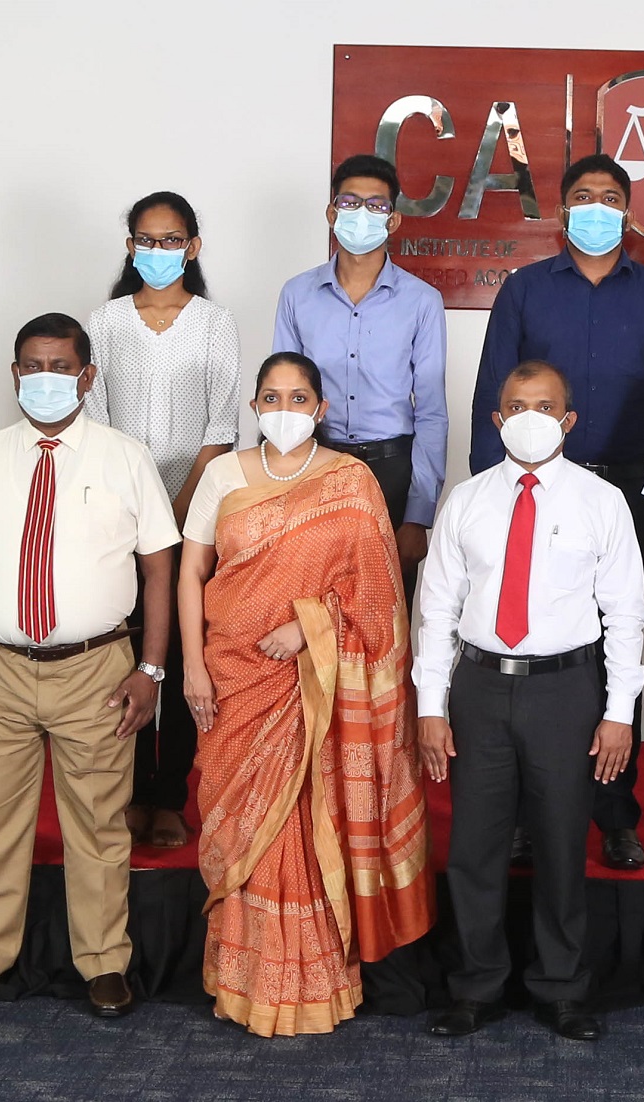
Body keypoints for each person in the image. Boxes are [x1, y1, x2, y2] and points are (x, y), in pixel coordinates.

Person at [0, 314, 175, 1019]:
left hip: (95, 668)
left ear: (87, 377)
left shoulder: (125, 457)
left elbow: (159, 569)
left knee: (98, 823)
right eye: (31, 367)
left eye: (61, 367)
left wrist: (151, 670)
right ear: (13, 376)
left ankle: (102, 963)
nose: (45, 379)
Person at [178, 352, 432, 1036]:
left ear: (320, 409)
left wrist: (307, 628)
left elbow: (379, 602)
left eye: (298, 398)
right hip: (234, 674)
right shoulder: (223, 476)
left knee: (306, 821)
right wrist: (193, 668)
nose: (283, 410)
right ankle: (245, 979)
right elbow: (190, 572)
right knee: (243, 824)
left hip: (313, 685)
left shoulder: (352, 483)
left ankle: (316, 979)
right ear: (254, 407)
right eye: (271, 397)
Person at [471, 153, 644, 869]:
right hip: (533, 487)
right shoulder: (525, 291)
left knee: (611, 650)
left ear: (629, 211)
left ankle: (615, 812)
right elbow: (494, 398)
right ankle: (523, 817)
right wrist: (494, 500)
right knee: (533, 644)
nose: (596, 207)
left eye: (610, 197)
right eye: (582, 196)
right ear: (562, 210)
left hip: (628, 492)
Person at [413, 361, 644, 1042]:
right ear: (498, 419)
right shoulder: (468, 500)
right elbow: (436, 611)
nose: (531, 417)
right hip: (481, 686)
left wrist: (619, 712)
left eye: (546, 406)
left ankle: (563, 988)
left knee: (561, 839)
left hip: (566, 690)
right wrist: (431, 705)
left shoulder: (602, 502)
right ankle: (476, 986)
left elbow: (626, 615)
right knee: (474, 845)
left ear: (568, 420)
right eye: (517, 406)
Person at [87, 190, 238, 852]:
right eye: (145, 241)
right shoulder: (104, 321)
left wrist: (176, 511)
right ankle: (124, 793)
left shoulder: (214, 322)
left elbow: (223, 423)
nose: (157, 252)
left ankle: (168, 794)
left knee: (178, 654)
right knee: (120, 650)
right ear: (129, 248)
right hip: (115, 513)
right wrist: (131, 509)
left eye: (170, 239)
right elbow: (91, 417)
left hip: (191, 510)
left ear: (193, 247)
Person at [273, 153, 449, 564]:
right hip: (315, 463)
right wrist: (279, 488)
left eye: (376, 205)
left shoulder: (422, 301)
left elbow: (431, 412)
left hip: (391, 471)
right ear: (332, 212)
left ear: (394, 220)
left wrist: (418, 517)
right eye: (350, 203)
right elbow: (283, 398)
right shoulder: (297, 294)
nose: (362, 214)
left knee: (387, 615)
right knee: (313, 611)